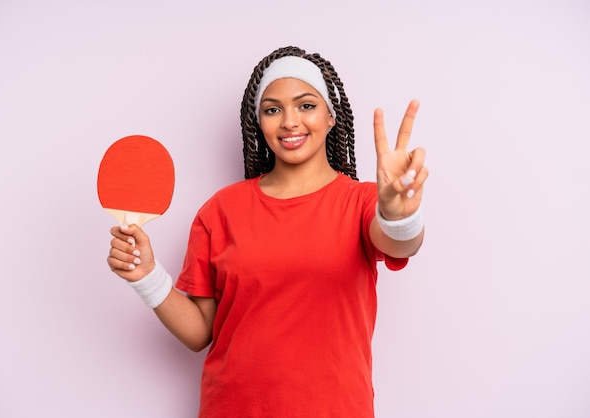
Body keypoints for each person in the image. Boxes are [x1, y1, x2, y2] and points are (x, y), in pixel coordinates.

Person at [107, 45, 428, 417]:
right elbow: (199, 333)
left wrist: (399, 213)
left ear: (330, 116)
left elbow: (402, 244)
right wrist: (146, 276)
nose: (290, 121)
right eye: (273, 109)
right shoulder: (220, 211)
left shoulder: (361, 203)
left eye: (306, 105)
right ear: (258, 122)